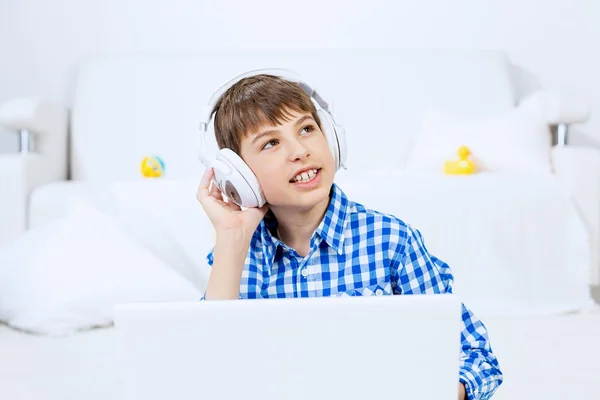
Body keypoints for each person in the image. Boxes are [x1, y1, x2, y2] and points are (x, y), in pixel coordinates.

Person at [196, 70, 503, 400]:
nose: (299, 150)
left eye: (307, 129)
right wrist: (230, 236)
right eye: (271, 142)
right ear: (240, 175)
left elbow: (474, 357)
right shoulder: (236, 257)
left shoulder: (391, 241)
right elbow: (210, 372)